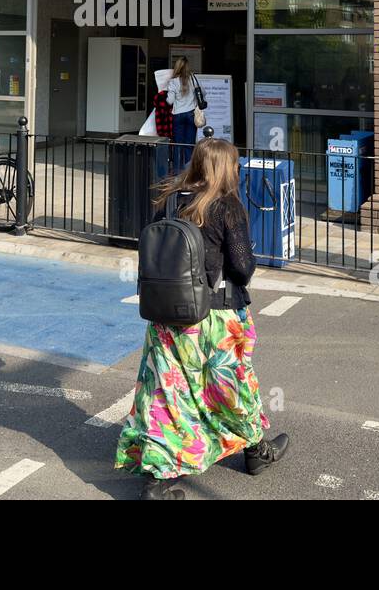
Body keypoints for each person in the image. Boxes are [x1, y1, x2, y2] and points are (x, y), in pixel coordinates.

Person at [115, 136, 290, 499]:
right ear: (226, 168)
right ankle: (256, 452)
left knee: (169, 393)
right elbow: (242, 268)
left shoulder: (168, 201)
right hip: (216, 316)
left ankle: (158, 480)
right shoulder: (226, 207)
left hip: (167, 315)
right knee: (231, 386)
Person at [165, 56, 198, 169]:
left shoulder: (173, 82)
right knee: (189, 145)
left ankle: (177, 173)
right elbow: (203, 92)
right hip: (191, 114)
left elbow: (170, 101)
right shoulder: (193, 78)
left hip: (178, 115)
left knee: (178, 145)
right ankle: (188, 172)